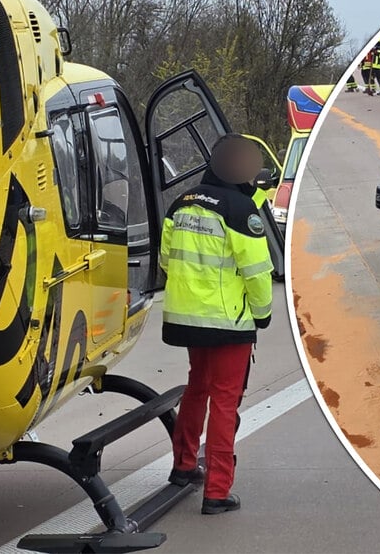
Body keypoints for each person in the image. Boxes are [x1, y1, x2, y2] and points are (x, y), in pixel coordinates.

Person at [161, 134, 273, 515]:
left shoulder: (181, 203)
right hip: (229, 322)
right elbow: (257, 273)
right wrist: (262, 313)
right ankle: (218, 491)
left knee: (197, 390)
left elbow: (166, 259)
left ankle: (184, 466)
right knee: (225, 401)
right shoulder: (241, 210)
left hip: (186, 318)